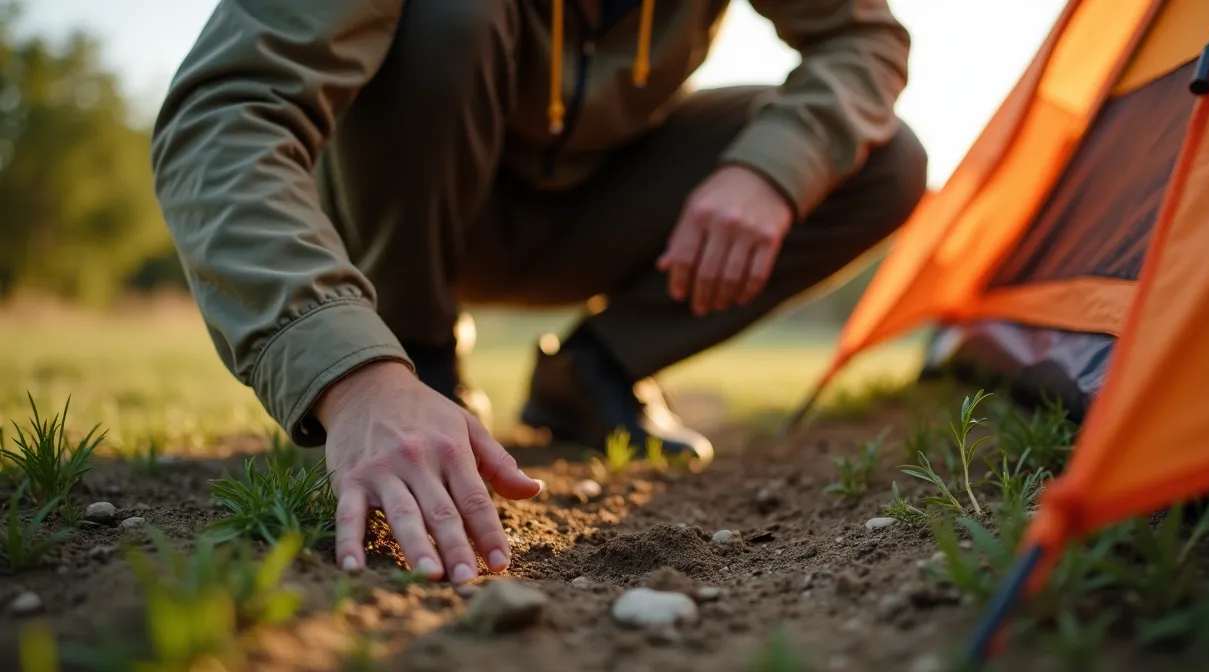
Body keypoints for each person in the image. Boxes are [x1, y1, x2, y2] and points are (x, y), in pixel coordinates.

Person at [150, 0, 927, 584]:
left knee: (884, 160)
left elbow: (864, 37)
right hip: (409, 202)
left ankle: (594, 372)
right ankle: (413, 361)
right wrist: (349, 373)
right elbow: (226, 117)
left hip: (602, 208)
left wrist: (774, 166)